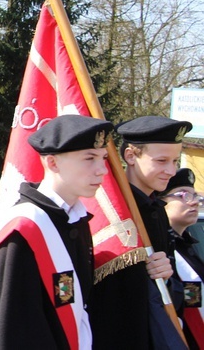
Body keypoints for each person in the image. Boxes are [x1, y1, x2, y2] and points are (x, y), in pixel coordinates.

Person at [0, 115, 112, 349]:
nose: (102, 170)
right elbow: (8, 327)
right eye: (89, 158)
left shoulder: (75, 221)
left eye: (103, 158)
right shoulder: (23, 229)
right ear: (52, 162)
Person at [91, 116, 191, 349]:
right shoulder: (112, 210)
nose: (171, 170)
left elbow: (174, 292)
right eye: (162, 160)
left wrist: (167, 277)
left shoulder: (156, 210)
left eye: (175, 161)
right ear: (131, 157)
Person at [161, 168, 204, 349]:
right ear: (160, 201)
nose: (194, 202)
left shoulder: (188, 246)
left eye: (195, 196)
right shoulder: (159, 248)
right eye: (183, 195)